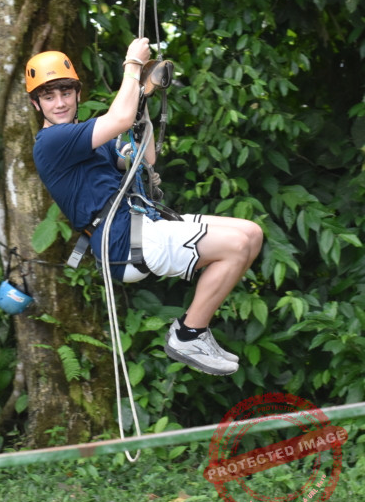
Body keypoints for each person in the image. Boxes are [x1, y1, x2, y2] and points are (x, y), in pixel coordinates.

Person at [27, 38, 263, 376]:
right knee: (236, 246)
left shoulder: (86, 137)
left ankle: (194, 330)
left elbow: (145, 156)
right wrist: (133, 65)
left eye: (66, 93)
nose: (60, 103)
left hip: (142, 223)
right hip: (124, 241)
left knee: (251, 233)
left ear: (77, 94)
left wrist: (143, 97)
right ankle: (189, 334)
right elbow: (120, 118)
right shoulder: (51, 142)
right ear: (36, 104)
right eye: (49, 97)